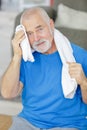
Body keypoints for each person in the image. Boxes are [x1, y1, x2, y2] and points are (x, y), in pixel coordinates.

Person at [1, 7, 87, 130]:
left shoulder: (78, 56)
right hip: (28, 122)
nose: (36, 38)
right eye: (29, 33)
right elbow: (7, 93)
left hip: (68, 125)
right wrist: (16, 56)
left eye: (39, 29)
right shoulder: (26, 58)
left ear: (51, 25)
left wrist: (84, 83)